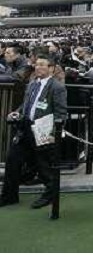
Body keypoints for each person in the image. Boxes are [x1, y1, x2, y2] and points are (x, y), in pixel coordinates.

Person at [0, 55, 68, 208]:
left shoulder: (57, 87)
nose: (38, 67)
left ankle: (50, 194)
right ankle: (9, 196)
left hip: (42, 131)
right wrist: (16, 112)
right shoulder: (32, 84)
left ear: (51, 68)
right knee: (12, 161)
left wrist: (52, 133)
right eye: (36, 64)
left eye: (42, 65)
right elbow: (25, 105)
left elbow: (61, 114)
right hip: (25, 128)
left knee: (43, 167)